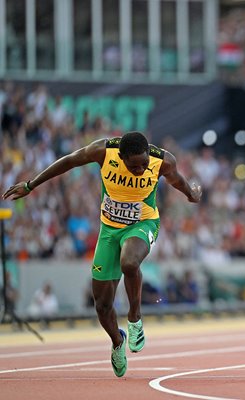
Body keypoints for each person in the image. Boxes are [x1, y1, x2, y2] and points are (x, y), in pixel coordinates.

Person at [2, 131, 202, 376]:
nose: (140, 170)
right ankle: (118, 341)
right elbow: (68, 161)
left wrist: (191, 193)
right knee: (102, 305)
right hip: (109, 231)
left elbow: (176, 179)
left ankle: (135, 318)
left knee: (129, 262)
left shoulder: (163, 160)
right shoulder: (103, 151)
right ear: (121, 157)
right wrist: (31, 184)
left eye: (143, 164)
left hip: (143, 223)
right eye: (133, 166)